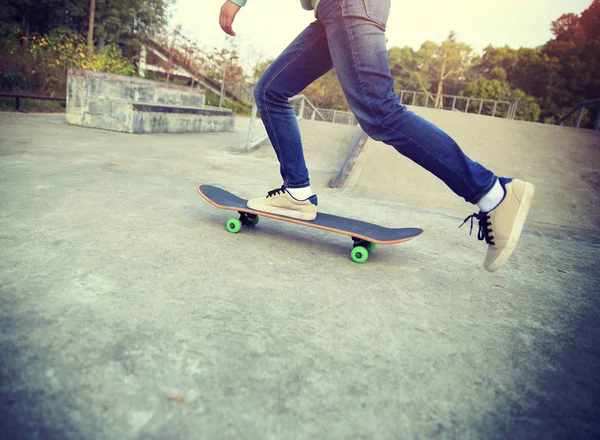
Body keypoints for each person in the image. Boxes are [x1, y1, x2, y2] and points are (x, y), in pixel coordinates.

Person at [218, 0, 535, 272]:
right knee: (271, 90)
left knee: (380, 112)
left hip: (348, 5)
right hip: (334, 11)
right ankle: (297, 192)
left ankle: (493, 194)